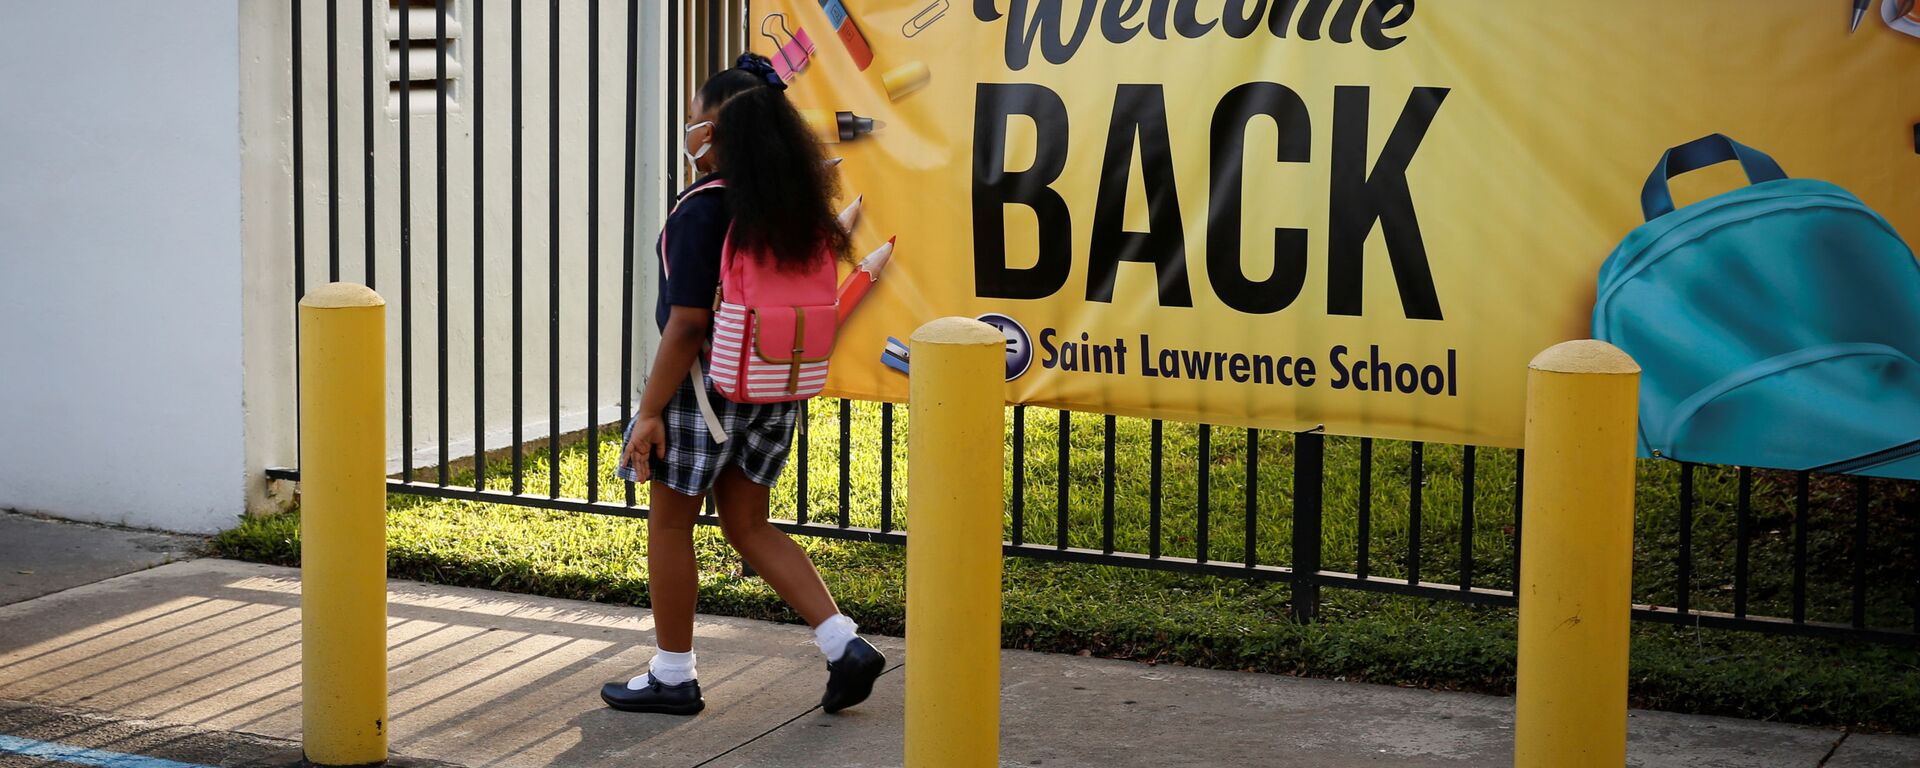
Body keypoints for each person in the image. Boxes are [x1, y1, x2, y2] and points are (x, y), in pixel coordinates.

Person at [601, 52, 881, 717]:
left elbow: (689, 323)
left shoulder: (702, 209)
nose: (690, 128)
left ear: (719, 131)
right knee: (747, 523)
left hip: (706, 389)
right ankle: (844, 644)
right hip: (777, 384)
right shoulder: (795, 203)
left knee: (670, 525)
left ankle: (673, 674)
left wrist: (649, 412)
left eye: (696, 116)